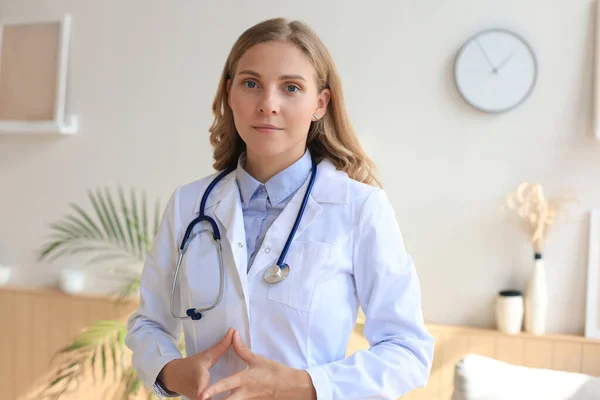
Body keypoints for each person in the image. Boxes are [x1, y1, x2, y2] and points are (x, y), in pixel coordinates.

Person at [125, 17, 434, 400]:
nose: (267, 105)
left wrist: (304, 385)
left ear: (319, 103)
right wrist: (170, 371)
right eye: (251, 84)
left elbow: (407, 351)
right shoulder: (189, 204)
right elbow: (148, 323)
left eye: (291, 88)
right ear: (229, 94)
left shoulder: (360, 208)